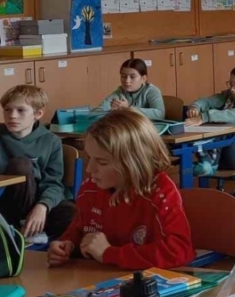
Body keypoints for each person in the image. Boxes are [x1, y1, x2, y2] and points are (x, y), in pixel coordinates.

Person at [48, 110, 193, 269]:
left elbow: (178, 251)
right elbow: (80, 227)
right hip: (100, 276)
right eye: (89, 157)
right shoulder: (91, 188)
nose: (89, 169)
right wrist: (66, 244)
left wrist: (109, 253)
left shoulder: (160, 193)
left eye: (102, 162)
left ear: (133, 163)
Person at [0, 84, 72, 239]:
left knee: (73, 214)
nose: (12, 116)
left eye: (21, 110)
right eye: (7, 110)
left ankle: (27, 234)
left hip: (37, 202)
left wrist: (42, 206)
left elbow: (53, 183)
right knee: (21, 165)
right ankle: (18, 232)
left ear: (38, 113)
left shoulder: (51, 141)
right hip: (2, 206)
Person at [97, 58, 166, 119]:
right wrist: (111, 112)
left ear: (143, 79)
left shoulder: (151, 91)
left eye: (132, 77)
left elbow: (159, 114)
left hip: (149, 128)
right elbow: (97, 112)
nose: (127, 81)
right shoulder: (120, 92)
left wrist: (129, 109)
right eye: (123, 76)